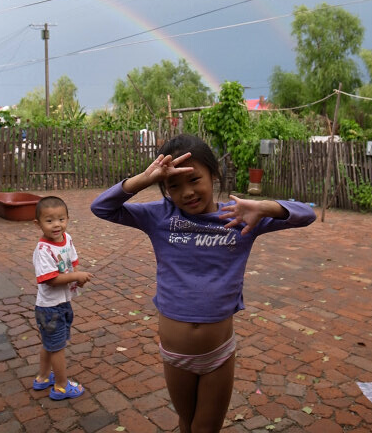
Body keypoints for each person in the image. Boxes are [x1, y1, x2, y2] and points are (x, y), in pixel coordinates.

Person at [91, 134, 316, 432]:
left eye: (195, 179)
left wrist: (264, 207)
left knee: (205, 429)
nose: (186, 193)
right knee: (187, 422)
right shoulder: (160, 215)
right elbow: (102, 207)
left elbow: (307, 214)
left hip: (218, 355)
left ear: (214, 173)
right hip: (175, 354)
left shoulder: (240, 217)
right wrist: (144, 179)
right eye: (174, 186)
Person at [32, 196, 92, 400]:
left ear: (67, 219)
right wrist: (75, 276)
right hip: (49, 308)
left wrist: (78, 278)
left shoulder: (67, 239)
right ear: (38, 224)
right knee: (57, 348)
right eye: (49, 221)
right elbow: (50, 279)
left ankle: (42, 377)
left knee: (50, 344)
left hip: (63, 302)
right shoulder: (43, 250)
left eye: (61, 219)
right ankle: (61, 385)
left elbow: (72, 263)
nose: (56, 225)